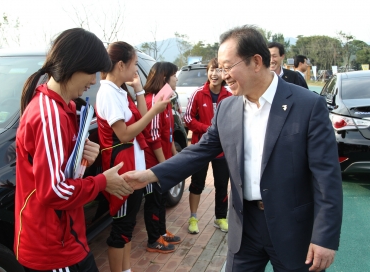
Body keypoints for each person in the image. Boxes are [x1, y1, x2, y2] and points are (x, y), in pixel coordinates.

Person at [124, 25, 343, 272]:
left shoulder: (307, 106)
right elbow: (199, 151)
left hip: (293, 229)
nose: (223, 74)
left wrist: (324, 238)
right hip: (245, 228)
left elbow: (327, 177)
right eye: (219, 67)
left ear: (257, 61)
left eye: (228, 67)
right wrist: (151, 175)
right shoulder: (227, 109)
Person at [15, 28, 135, 272]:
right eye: (91, 72)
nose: (94, 81)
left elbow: (59, 172)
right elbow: (54, 191)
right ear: (74, 65)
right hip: (52, 247)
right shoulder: (49, 114)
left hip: (67, 238)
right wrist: (102, 182)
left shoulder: (65, 108)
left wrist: (81, 159)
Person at [95, 41, 169, 272]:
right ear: (120, 65)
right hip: (121, 170)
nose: (136, 69)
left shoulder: (118, 90)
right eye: (134, 64)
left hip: (131, 166)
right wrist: (154, 111)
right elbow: (125, 134)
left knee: (127, 227)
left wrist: (137, 89)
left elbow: (139, 118)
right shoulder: (107, 92)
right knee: (121, 229)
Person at [184, 58, 231, 234]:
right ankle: (193, 217)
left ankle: (220, 218)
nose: (215, 73)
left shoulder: (230, 95)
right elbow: (188, 118)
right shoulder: (198, 93)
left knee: (221, 184)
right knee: (197, 184)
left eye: (219, 70)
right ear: (207, 72)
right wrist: (208, 130)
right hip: (200, 148)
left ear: (224, 74)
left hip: (222, 149)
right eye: (212, 69)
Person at [143, 62, 182, 253]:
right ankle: (153, 240)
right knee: (154, 201)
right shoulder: (153, 101)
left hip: (163, 161)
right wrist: (163, 164)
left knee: (161, 200)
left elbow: (168, 133)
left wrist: (174, 155)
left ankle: (161, 232)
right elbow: (153, 136)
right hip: (154, 164)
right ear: (164, 78)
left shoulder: (166, 100)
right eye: (174, 75)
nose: (176, 78)